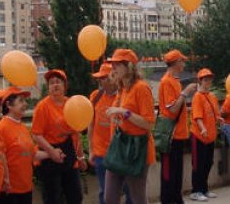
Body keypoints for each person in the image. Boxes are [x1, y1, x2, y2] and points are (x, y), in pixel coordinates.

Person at [102, 48, 156, 204]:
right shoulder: (122, 88)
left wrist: (124, 112)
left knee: (138, 198)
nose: (113, 68)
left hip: (137, 149)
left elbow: (148, 123)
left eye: (117, 64)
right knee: (109, 197)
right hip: (120, 146)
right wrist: (118, 118)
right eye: (113, 64)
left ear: (129, 66)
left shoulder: (141, 88)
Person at [32, 69, 86, 204]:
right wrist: (51, 152)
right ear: (48, 88)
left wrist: (80, 157)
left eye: (58, 82)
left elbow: (76, 133)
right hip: (49, 155)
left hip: (68, 153)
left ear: (65, 86)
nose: (55, 85)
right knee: (52, 198)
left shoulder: (72, 104)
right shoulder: (42, 107)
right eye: (51, 83)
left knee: (76, 196)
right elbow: (36, 135)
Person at [89, 64, 132, 204]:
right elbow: (91, 123)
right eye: (100, 79)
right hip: (101, 153)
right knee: (105, 191)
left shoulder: (123, 96)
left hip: (121, 153)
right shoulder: (95, 96)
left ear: (113, 78)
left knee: (129, 189)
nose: (102, 81)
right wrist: (90, 150)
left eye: (105, 78)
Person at [158, 50, 196, 204]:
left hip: (178, 134)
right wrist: (185, 93)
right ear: (176, 63)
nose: (184, 64)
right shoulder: (167, 81)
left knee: (176, 172)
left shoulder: (174, 80)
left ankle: (176, 199)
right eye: (182, 61)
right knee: (169, 173)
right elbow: (172, 110)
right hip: (171, 135)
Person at [0, 86, 47, 204]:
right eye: (21, 101)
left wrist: (51, 153)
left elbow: (32, 153)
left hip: (26, 188)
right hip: (9, 191)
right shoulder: (1, 128)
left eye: (25, 101)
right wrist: (6, 180)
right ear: (9, 105)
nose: (25, 104)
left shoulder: (23, 127)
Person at [188, 69, 219, 201]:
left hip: (210, 135)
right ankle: (196, 190)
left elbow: (214, 113)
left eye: (209, 79)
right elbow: (197, 116)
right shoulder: (197, 97)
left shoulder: (211, 96)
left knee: (208, 163)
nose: (208, 82)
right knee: (198, 164)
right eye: (205, 80)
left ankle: (204, 189)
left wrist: (219, 119)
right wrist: (202, 128)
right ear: (200, 81)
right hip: (199, 135)